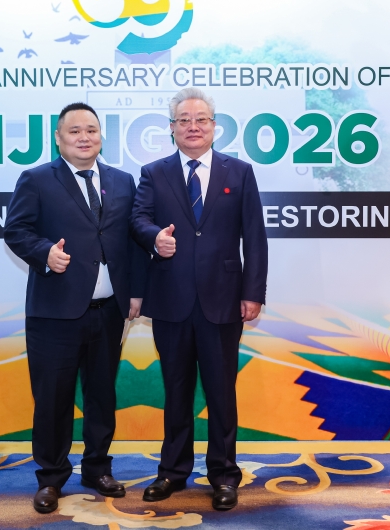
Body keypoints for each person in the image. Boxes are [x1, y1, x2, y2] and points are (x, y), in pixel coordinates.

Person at [4, 102, 147, 514]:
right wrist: (44, 252)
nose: (84, 137)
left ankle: (97, 469)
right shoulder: (36, 179)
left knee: (101, 395)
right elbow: (16, 230)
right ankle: (51, 478)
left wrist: (135, 292)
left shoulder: (122, 181)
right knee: (53, 399)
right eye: (74, 131)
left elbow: (131, 241)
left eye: (91, 130)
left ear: (101, 136)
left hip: (109, 311)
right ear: (58, 138)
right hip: (54, 312)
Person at [131, 87, 268, 511]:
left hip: (223, 300)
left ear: (214, 126)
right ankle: (172, 472)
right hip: (170, 299)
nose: (193, 127)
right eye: (184, 120)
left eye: (201, 119)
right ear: (171, 128)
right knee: (176, 390)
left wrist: (253, 292)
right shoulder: (153, 173)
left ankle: (224, 475)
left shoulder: (239, 172)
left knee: (221, 391)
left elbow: (255, 237)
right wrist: (154, 237)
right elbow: (138, 219)